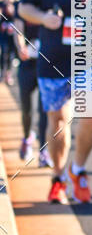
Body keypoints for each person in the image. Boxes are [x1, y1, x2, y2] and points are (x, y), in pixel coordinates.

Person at [18, 0, 92, 204]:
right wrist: (43, 18)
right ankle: (58, 176)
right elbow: (23, 7)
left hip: (90, 61)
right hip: (53, 61)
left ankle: (78, 170)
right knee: (58, 121)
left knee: (90, 116)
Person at [12, 11, 48, 164]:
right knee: (26, 108)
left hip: (46, 64)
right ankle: (27, 138)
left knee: (44, 109)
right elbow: (18, 29)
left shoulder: (50, 3)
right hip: (27, 64)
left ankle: (43, 151)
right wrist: (20, 46)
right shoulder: (24, 5)